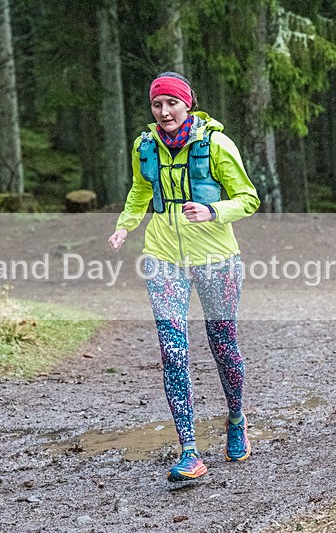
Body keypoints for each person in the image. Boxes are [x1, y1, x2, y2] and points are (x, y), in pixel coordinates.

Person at [108, 72, 260, 482]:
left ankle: (236, 419)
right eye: (157, 105)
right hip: (162, 257)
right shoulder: (144, 147)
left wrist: (212, 211)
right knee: (172, 351)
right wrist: (126, 225)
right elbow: (140, 192)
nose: (164, 112)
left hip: (216, 256)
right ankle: (189, 451)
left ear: (187, 104)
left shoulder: (217, 145)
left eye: (171, 103)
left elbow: (248, 199)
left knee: (222, 344)